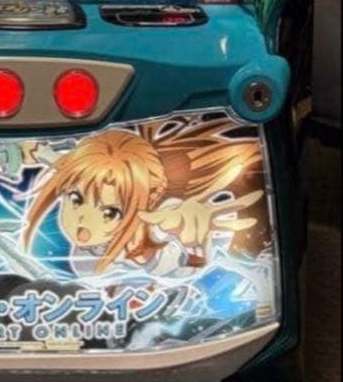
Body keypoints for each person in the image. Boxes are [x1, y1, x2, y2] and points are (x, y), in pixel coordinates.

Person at [24, 119, 263, 278]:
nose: (83, 220)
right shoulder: (85, 177)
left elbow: (183, 260)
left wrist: (189, 242)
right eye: (76, 200)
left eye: (109, 213)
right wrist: (36, 150)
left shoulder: (155, 226)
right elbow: (68, 167)